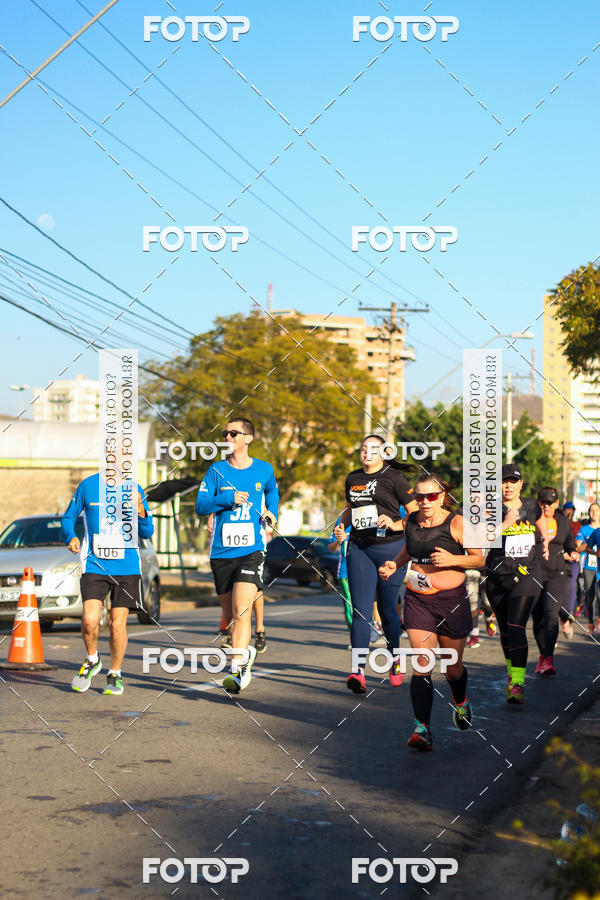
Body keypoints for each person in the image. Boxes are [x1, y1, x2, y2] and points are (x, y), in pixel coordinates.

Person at [379, 473, 484, 751]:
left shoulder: (458, 522)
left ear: (443, 496)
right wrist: (394, 564)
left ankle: (460, 699)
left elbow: (479, 559)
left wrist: (453, 559)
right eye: (419, 497)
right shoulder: (410, 521)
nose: (425, 502)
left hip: (452, 601)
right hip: (418, 600)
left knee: (452, 668)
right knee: (422, 663)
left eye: (431, 496)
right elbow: (409, 550)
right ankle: (422, 728)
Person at [195, 418, 278, 693]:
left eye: (233, 433)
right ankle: (245, 655)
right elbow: (200, 505)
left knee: (242, 609)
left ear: (248, 438)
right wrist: (227, 500)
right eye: (225, 433)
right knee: (231, 613)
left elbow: (272, 493)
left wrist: (272, 512)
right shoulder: (216, 471)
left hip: (251, 549)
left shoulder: (264, 470)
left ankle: (237, 669)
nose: (227, 436)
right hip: (221, 551)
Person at [336, 434, 418, 694]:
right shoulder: (353, 478)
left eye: (373, 449)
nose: (367, 453)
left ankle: (395, 657)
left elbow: (416, 512)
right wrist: (341, 526)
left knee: (387, 609)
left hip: (390, 550)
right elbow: (350, 508)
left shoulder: (393, 478)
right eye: (363, 448)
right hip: (359, 547)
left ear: (383, 453)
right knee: (360, 610)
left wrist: (396, 524)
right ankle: (358, 672)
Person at [62, 474, 154, 695]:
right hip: (95, 564)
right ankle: (92, 659)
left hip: (127, 567)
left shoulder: (134, 488)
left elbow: (147, 531)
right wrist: (70, 537)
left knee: (116, 624)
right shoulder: (88, 485)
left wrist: (140, 508)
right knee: (90, 619)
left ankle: (115, 673)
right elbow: (68, 517)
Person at [484, 462, 547, 704]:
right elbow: (482, 538)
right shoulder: (490, 508)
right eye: (504, 481)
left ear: (521, 484)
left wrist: (545, 544)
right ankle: (512, 675)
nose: (508, 485)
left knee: (517, 625)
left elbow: (541, 527)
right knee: (505, 629)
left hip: (527, 574)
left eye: (513, 481)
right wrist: (505, 525)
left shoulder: (532, 506)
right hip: (498, 575)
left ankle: (518, 683)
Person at [531, 487, 580, 676]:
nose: (546, 506)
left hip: (557, 573)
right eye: (543, 502)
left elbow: (569, 542)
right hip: (534, 573)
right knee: (538, 619)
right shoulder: (532, 519)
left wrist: (573, 551)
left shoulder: (563, 521)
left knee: (551, 614)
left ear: (557, 503)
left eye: (550, 502)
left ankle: (549, 658)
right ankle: (543, 655)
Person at [208, 512, 267, 652]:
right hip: (226, 545)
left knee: (254, 591)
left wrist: (270, 511)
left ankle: (259, 629)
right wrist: (211, 515)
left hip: (253, 543)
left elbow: (270, 496)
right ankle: (235, 636)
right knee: (232, 599)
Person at [576, 503, 600, 634]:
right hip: (589, 566)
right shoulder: (584, 529)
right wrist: (590, 546)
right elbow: (578, 548)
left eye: (596, 510)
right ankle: (591, 623)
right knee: (591, 596)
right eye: (591, 510)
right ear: (589, 513)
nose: (594, 512)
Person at [328, 514, 353, 634]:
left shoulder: (369, 514)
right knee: (348, 602)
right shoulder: (341, 520)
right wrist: (339, 540)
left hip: (364, 569)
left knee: (363, 604)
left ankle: (367, 630)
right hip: (345, 570)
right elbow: (331, 547)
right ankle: (355, 635)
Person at [563, 501, 582, 620]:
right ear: (563, 510)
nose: (570, 511)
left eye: (572, 509)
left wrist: (573, 553)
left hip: (573, 559)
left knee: (572, 584)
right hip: (560, 558)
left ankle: (569, 611)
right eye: (568, 509)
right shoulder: (558, 523)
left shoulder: (577, 525)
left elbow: (578, 543)